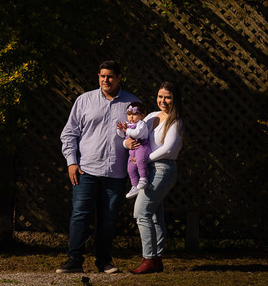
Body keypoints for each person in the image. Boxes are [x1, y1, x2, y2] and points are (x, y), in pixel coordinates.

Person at [56, 60, 138, 275]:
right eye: (102, 76)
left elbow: (140, 137)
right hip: (86, 170)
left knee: (108, 219)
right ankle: (74, 259)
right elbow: (69, 133)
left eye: (110, 76)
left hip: (116, 173)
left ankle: (104, 261)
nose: (105, 80)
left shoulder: (132, 104)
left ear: (119, 77)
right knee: (80, 215)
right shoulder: (84, 100)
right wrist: (71, 162)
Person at [125, 81, 184, 275]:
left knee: (141, 212)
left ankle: (148, 258)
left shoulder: (176, 121)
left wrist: (144, 160)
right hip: (148, 170)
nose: (163, 101)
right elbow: (137, 134)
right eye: (160, 96)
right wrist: (128, 142)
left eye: (167, 97)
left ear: (174, 99)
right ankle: (157, 259)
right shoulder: (150, 116)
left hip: (162, 169)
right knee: (155, 215)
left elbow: (168, 148)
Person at [117, 101, 153, 199]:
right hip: (132, 151)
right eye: (129, 114)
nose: (131, 117)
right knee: (130, 168)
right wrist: (121, 130)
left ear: (142, 115)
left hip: (142, 146)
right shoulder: (128, 125)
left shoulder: (141, 124)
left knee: (141, 161)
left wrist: (126, 130)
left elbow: (137, 134)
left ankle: (143, 178)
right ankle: (134, 185)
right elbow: (122, 136)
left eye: (134, 114)